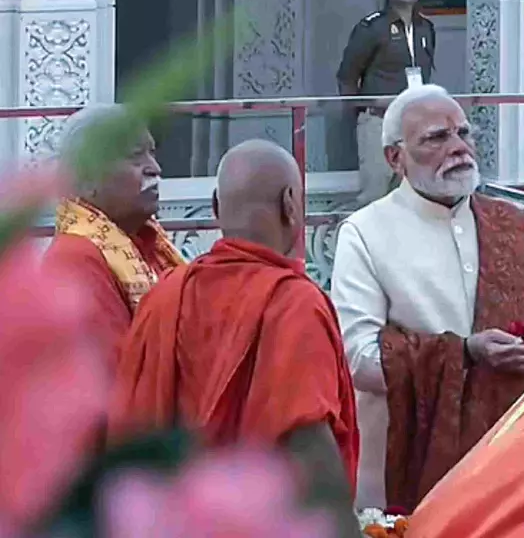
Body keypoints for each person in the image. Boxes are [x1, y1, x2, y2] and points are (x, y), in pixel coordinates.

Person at [330, 84, 524, 510]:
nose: (459, 148)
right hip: (410, 466)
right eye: (436, 138)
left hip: (510, 457)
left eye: (464, 133)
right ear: (395, 158)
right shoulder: (365, 233)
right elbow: (359, 360)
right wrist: (466, 353)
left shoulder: (510, 225)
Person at [108, 139, 359, 534]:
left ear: (215, 208)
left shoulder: (164, 295)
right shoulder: (294, 303)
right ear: (291, 205)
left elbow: (131, 430)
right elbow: (309, 443)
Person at [42, 104, 184, 372]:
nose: (155, 169)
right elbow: (116, 377)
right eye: (135, 156)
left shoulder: (150, 245)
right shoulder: (74, 260)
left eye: (152, 154)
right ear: (88, 178)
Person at [337, 0, 438, 207]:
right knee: (375, 193)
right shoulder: (372, 28)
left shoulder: (425, 27)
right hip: (378, 120)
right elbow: (347, 75)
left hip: (415, 124)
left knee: (413, 193)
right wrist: (357, 112)